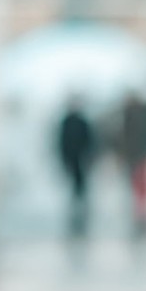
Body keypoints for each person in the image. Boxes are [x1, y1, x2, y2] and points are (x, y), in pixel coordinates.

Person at [115, 92, 146, 239]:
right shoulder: (141, 115)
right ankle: (142, 218)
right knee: (140, 190)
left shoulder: (132, 116)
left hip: (137, 157)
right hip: (138, 157)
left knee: (139, 190)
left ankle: (143, 218)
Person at [55, 95, 97, 239]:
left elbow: (90, 141)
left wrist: (90, 157)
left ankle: (82, 211)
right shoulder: (66, 122)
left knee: (82, 186)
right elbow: (61, 142)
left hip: (82, 158)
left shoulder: (83, 122)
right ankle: (75, 212)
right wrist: (63, 158)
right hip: (71, 158)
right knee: (74, 186)